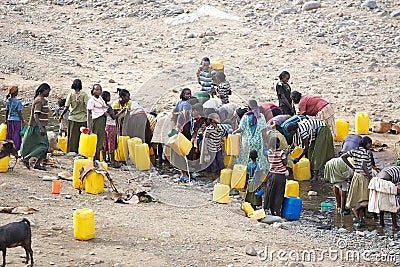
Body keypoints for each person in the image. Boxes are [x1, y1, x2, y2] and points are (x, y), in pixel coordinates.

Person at [341, 136, 375, 227]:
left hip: (356, 176)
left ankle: (360, 219)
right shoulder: (365, 152)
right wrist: (370, 177)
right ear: (366, 144)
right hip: (363, 177)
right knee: (366, 198)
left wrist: (352, 166)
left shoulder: (355, 150)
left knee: (359, 197)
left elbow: (343, 157)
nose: (371, 146)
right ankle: (356, 210)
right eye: (370, 144)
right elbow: (364, 166)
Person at [21, 83, 51, 171]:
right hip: (37, 126)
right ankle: (27, 158)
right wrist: (40, 127)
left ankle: (38, 163)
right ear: (43, 90)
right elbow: (36, 115)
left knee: (45, 145)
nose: (49, 93)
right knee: (44, 146)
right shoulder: (39, 101)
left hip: (41, 126)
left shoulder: (42, 100)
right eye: (48, 91)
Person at [233, 100, 268, 172]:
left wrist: (234, 132)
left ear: (248, 108)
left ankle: (247, 172)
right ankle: (258, 172)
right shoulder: (261, 116)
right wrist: (266, 142)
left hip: (247, 142)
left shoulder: (246, 116)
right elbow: (264, 131)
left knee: (246, 158)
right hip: (258, 142)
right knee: (258, 157)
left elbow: (241, 129)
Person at [59, 79, 89, 153]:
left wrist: (61, 115)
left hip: (72, 118)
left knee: (72, 137)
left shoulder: (70, 95)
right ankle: (81, 151)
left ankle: (71, 151)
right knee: (81, 137)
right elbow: (88, 107)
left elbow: (66, 106)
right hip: (83, 119)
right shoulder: (84, 95)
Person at [368, 166, 400, 230]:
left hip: (377, 181)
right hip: (384, 183)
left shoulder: (395, 168)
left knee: (381, 204)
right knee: (392, 204)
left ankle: (381, 223)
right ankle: (395, 226)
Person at [264, 137, 288, 216]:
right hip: (280, 176)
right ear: (278, 144)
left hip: (271, 175)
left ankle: (271, 211)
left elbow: (269, 162)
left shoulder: (269, 152)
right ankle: (278, 212)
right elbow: (284, 163)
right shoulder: (281, 153)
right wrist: (287, 154)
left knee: (271, 193)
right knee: (279, 194)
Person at [101, 91, 126, 168]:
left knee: (104, 143)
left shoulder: (102, 105)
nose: (110, 98)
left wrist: (114, 110)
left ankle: (104, 160)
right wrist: (121, 111)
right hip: (111, 126)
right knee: (111, 143)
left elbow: (109, 114)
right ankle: (112, 161)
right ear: (106, 97)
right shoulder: (108, 106)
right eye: (109, 96)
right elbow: (114, 117)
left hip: (105, 125)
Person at [87, 84, 108, 161]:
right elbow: (89, 113)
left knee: (101, 139)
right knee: (95, 139)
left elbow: (105, 109)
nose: (98, 91)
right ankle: (94, 158)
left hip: (102, 120)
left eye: (99, 89)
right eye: (96, 89)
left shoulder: (101, 99)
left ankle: (98, 158)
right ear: (93, 91)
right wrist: (88, 125)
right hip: (96, 120)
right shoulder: (91, 100)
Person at [202, 113, 225, 182]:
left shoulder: (220, 128)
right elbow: (205, 140)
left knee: (221, 163)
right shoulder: (209, 129)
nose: (219, 119)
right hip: (211, 149)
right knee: (213, 164)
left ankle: (220, 178)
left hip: (218, 148)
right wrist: (205, 149)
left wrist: (223, 149)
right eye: (217, 118)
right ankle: (213, 179)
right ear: (212, 121)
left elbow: (221, 139)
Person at [4, 85, 24, 150]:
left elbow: (7, 111)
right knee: (16, 134)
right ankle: (16, 147)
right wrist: (22, 120)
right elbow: (19, 112)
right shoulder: (18, 102)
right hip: (16, 120)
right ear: (16, 93)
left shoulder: (8, 101)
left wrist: (6, 119)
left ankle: (8, 147)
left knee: (9, 133)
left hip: (9, 119)